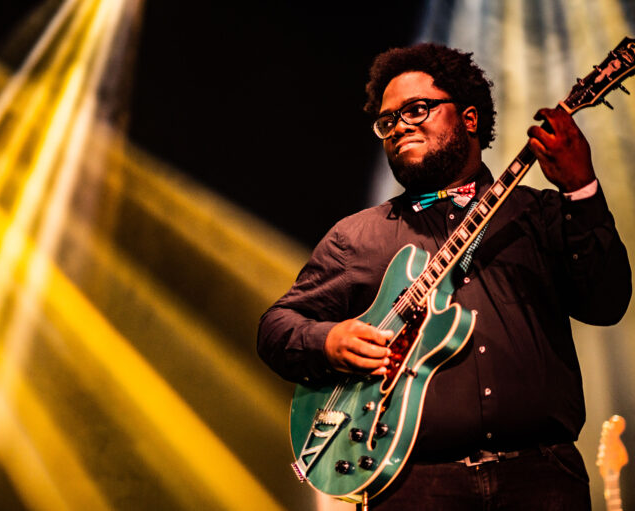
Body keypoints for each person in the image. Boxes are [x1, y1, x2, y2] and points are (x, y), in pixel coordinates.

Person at [257, 43, 631, 509]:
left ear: (469, 119)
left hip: (541, 479)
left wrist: (582, 190)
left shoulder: (540, 214)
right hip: (412, 485)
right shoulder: (357, 237)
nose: (400, 127)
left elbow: (607, 302)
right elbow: (276, 326)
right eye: (388, 121)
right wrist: (329, 341)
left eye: (417, 109)